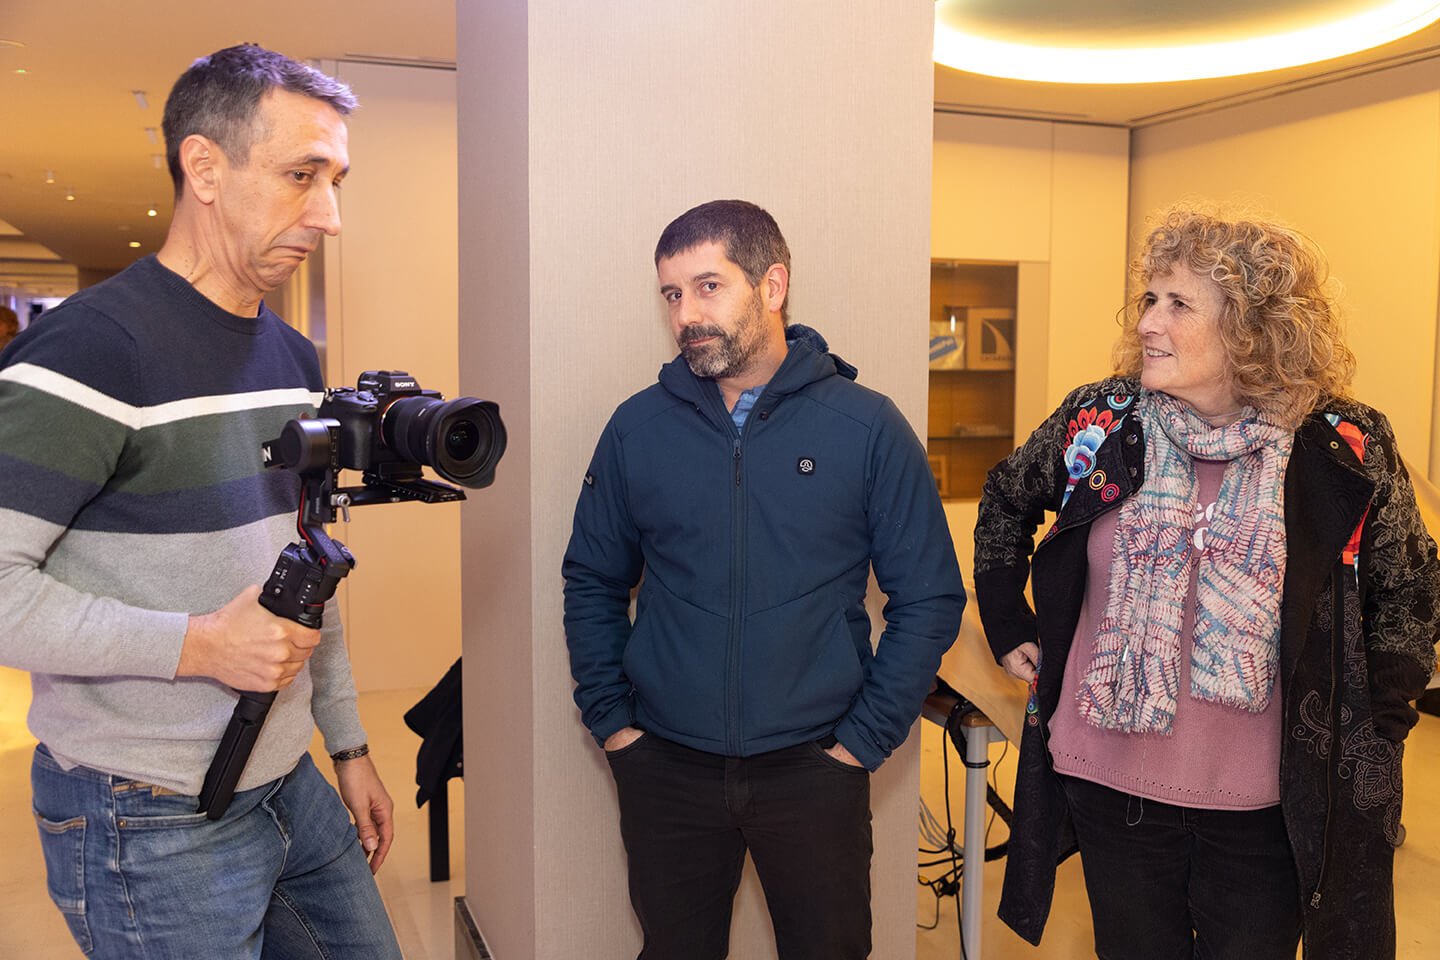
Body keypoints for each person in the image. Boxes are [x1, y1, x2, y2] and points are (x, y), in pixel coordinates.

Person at [0, 45, 403, 959]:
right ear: (205, 168)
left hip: (284, 775)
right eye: (301, 175)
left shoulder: (292, 358)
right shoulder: (90, 351)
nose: (330, 215)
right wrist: (201, 645)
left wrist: (345, 743)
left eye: (336, 181)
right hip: (143, 809)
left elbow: (310, 564)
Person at [974, 207, 1440, 959]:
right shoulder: (1103, 420)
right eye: (1149, 299)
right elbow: (1005, 498)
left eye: (1178, 304)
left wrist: (1373, 728)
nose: (1147, 323)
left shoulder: (1342, 444)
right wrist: (1006, 619)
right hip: (1110, 786)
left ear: (1252, 329)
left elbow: (1409, 593)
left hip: (1269, 807)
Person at [562, 199, 966, 959]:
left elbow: (930, 596)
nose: (686, 314)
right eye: (672, 294)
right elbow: (591, 579)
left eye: (708, 287)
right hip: (666, 766)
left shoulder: (866, 427)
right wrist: (614, 724)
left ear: (772, 285)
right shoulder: (637, 429)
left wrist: (862, 742)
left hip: (815, 767)